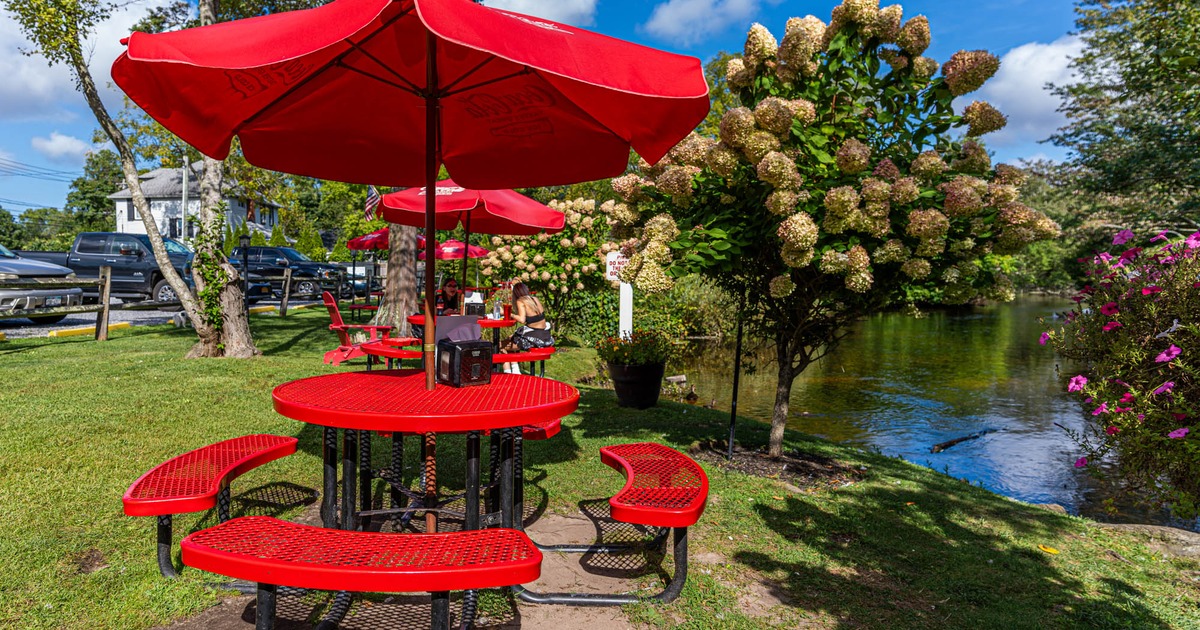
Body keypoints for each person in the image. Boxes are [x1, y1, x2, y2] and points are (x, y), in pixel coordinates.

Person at [500, 282, 554, 374]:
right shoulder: (535, 299)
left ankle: (509, 373)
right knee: (511, 339)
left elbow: (521, 319)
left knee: (500, 346)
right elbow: (536, 318)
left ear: (516, 293)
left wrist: (507, 313)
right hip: (545, 337)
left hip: (533, 339)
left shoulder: (520, 301)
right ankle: (515, 370)